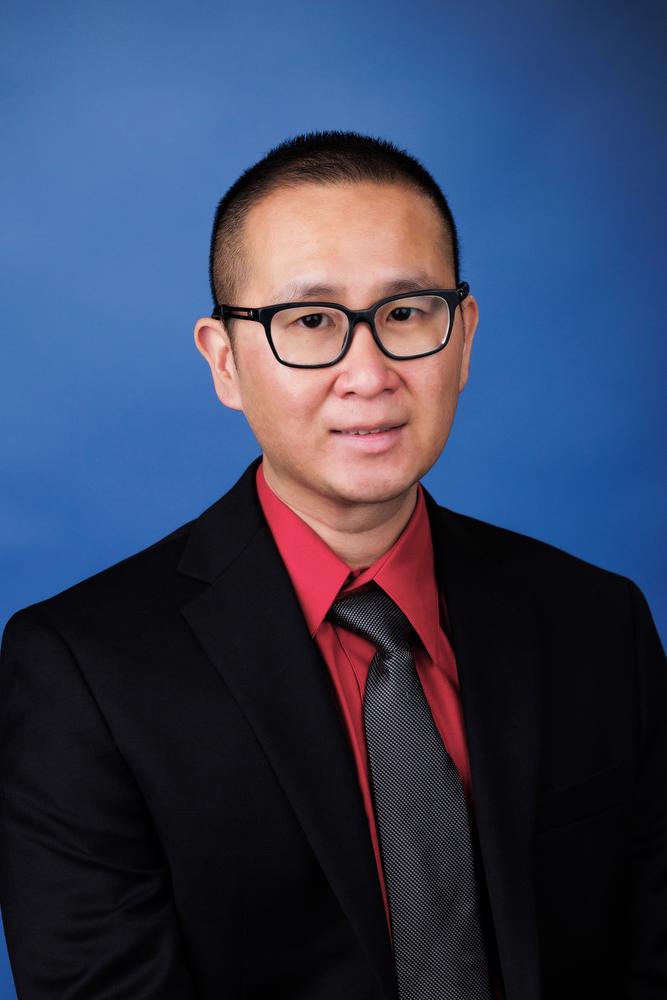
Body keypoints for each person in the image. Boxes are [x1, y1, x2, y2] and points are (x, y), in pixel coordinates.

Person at [0, 131, 665, 1000]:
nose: (369, 372)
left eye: (406, 313)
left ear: (463, 337)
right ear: (225, 361)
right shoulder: (82, 670)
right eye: (310, 322)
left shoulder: (597, 622)